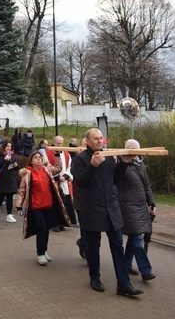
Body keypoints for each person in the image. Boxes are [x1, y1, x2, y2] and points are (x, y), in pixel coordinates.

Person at [72, 127, 143, 297]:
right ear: (87, 141)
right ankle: (95, 278)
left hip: (112, 209)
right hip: (93, 210)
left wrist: (124, 162)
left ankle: (124, 284)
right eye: (95, 138)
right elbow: (81, 182)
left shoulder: (109, 156)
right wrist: (92, 166)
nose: (99, 141)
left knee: (117, 246)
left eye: (101, 138)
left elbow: (116, 179)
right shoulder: (80, 159)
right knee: (93, 247)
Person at [16, 151, 70, 265]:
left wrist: (57, 155)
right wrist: (18, 206)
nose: (39, 159)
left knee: (46, 229)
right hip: (36, 207)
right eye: (36, 158)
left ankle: (44, 251)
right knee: (42, 228)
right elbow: (22, 192)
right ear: (31, 161)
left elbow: (59, 168)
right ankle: (40, 254)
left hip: (48, 205)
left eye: (40, 157)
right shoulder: (27, 175)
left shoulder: (47, 170)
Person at [116, 139, 156, 281]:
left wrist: (151, 201)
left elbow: (146, 185)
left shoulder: (141, 165)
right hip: (127, 206)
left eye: (136, 150)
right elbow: (115, 179)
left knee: (134, 238)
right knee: (137, 238)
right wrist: (124, 162)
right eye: (131, 150)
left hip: (140, 207)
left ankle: (126, 263)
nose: (134, 154)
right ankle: (146, 270)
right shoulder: (120, 164)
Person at [0, 139, 18, 223]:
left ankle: (9, 215)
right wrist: (4, 159)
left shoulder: (13, 155)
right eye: (7, 146)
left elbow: (16, 164)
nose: (9, 148)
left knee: (9, 197)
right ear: (4, 146)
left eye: (10, 146)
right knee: (0, 196)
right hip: (2, 179)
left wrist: (15, 165)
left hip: (10, 178)